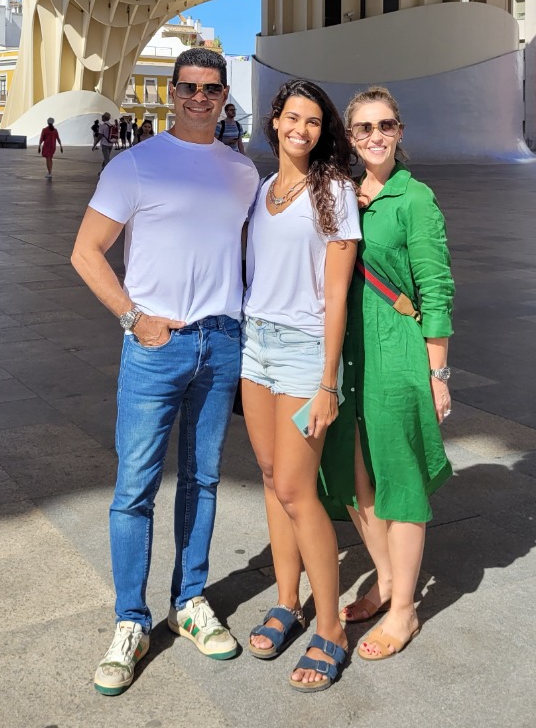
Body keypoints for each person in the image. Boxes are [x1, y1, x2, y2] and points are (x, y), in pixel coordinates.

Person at [71, 48, 259, 697]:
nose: (199, 98)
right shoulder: (136, 165)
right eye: (188, 88)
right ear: (172, 93)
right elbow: (85, 252)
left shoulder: (241, 171)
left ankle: (191, 601)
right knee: (135, 486)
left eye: (210, 88)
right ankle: (130, 619)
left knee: (203, 479)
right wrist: (134, 319)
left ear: (224, 95)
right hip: (156, 346)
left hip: (221, 341)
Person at [320, 85, 454, 662]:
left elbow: (436, 288)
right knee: (349, 472)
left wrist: (438, 371)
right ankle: (385, 577)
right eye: (364, 128)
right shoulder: (344, 195)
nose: (376, 136)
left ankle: (404, 611)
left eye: (386, 126)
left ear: (400, 131)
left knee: (398, 478)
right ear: (350, 138)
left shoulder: (415, 199)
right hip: (347, 351)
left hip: (397, 348)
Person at [242, 79, 361, 692]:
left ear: (323, 130)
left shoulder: (334, 190)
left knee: (296, 488)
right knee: (268, 476)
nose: (302, 130)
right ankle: (288, 601)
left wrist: (327, 381)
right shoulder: (265, 189)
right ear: (275, 120)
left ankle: (331, 628)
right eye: (294, 117)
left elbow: (337, 293)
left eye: (314, 122)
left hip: (301, 351)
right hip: (255, 345)